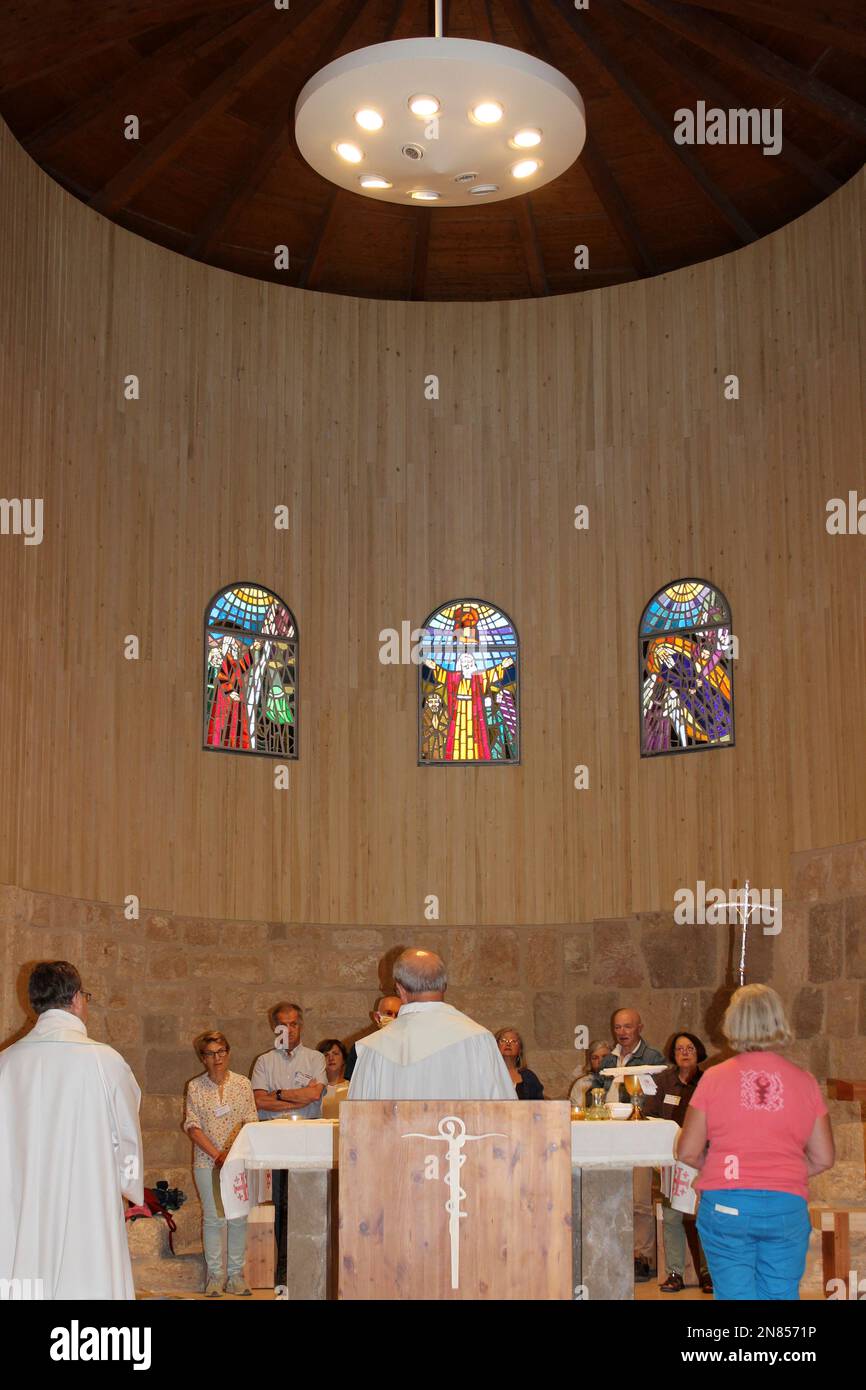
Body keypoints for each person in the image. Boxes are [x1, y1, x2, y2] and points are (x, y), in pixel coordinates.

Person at [678, 985, 835, 1301]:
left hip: (727, 1204)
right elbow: (823, 1158)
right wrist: (779, 1170)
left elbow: (688, 1151)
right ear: (779, 1021)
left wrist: (728, 1168)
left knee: (735, 1295)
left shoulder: (713, 1078)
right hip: (785, 1207)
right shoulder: (804, 1081)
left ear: (732, 1023)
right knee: (779, 1294)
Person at [0, 960, 143, 1299]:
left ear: (35, 1003)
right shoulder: (105, 1061)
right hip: (87, 1200)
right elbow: (127, 1137)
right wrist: (129, 1184)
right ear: (78, 999)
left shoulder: (6, 1063)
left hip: (20, 1199)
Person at [348, 949, 515, 1100]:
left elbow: (357, 1123)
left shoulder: (374, 1048)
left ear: (400, 990)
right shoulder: (478, 1039)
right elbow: (506, 1114)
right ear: (444, 986)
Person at [251, 1002, 327, 1291]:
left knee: (308, 1206)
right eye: (283, 1024)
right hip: (276, 1143)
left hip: (308, 1141)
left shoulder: (315, 1058)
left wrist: (279, 1094)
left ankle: (309, 1273)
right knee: (280, 1206)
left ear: (301, 1026)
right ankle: (281, 1275)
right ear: (275, 1028)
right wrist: (297, 1097)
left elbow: (314, 1095)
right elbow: (259, 1100)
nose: (289, 1029)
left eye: (294, 1023)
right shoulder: (264, 1062)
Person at [593, 1008, 666, 1283]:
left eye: (627, 1027)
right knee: (611, 1196)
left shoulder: (652, 1057)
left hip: (637, 1132)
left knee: (639, 1199)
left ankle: (642, 1257)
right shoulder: (609, 1058)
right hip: (609, 1131)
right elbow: (598, 1087)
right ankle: (616, 1252)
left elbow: (654, 1095)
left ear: (640, 1027)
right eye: (617, 1027)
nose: (622, 1032)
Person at [184, 1030, 258, 1297]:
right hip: (208, 1162)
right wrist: (218, 1155)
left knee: (237, 1218)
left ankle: (235, 1275)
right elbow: (192, 1127)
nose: (217, 1058)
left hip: (237, 1162)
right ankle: (215, 1276)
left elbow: (251, 1121)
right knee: (214, 1219)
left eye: (221, 1052)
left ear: (228, 1052)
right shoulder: (195, 1087)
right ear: (202, 1058)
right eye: (210, 1053)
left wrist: (233, 1154)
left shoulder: (242, 1084)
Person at [642, 1032, 712, 1294]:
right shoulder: (663, 1082)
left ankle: (708, 1273)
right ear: (673, 1053)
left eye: (690, 1048)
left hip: (702, 1158)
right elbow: (648, 1113)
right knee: (672, 1216)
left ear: (699, 1052)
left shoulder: (708, 1081)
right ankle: (675, 1273)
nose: (684, 1052)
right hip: (670, 1157)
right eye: (680, 1048)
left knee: (701, 1215)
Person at [343, 995, 402, 1081]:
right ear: (377, 1017)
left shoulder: (414, 1047)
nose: (393, 1018)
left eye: (398, 1015)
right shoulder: (360, 1048)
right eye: (389, 1013)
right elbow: (352, 1085)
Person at [495, 1028, 544, 1099]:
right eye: (503, 1041)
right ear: (495, 1047)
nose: (508, 1044)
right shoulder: (489, 1074)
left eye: (513, 1041)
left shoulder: (529, 1077)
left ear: (520, 1049)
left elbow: (538, 1105)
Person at [569, 1039, 610, 1107]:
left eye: (604, 1056)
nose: (600, 1061)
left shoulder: (619, 1080)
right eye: (595, 1058)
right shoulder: (582, 1084)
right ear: (590, 1062)